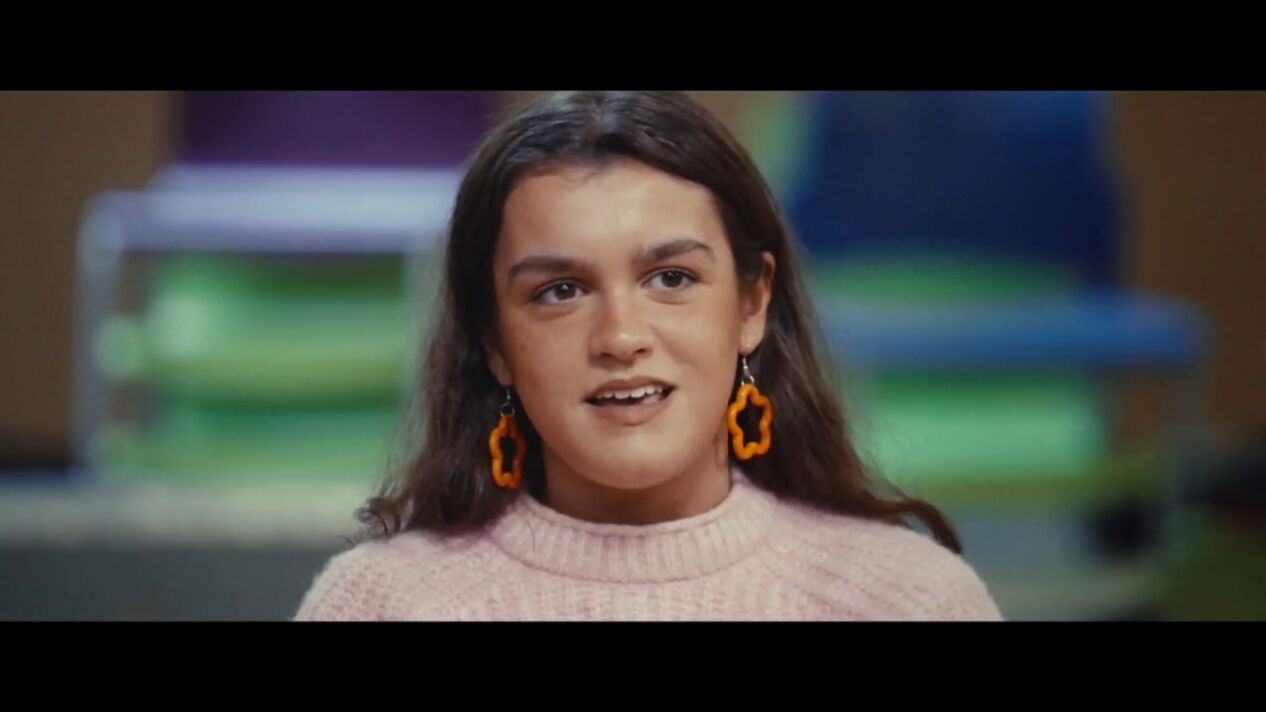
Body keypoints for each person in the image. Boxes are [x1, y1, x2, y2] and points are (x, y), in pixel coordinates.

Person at [294, 91, 1003, 621]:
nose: (621, 336)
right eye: (560, 291)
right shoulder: (384, 605)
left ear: (752, 303)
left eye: (671, 278)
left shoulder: (907, 600)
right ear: (495, 343)